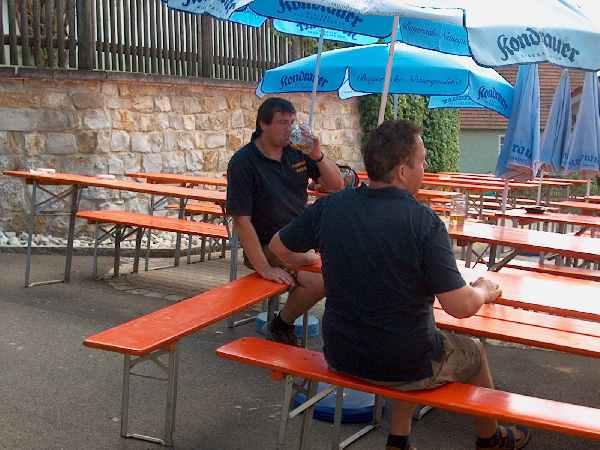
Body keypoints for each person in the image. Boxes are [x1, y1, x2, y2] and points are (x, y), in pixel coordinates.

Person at [268, 120, 531, 450]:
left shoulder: (330, 207)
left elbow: (278, 247)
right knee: (471, 351)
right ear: (403, 171)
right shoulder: (424, 222)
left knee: (414, 332)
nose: (425, 167)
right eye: (422, 160)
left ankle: (399, 439)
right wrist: (483, 290)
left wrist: (307, 260)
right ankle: (491, 438)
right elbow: (459, 307)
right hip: (403, 362)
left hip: (340, 353)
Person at [226, 97, 344, 345]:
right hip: (267, 246)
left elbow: (337, 185)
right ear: (263, 124)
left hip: (300, 240)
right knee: (321, 280)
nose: (289, 129)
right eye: (282, 122)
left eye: (292, 122)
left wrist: (317, 155)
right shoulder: (243, 162)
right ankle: (281, 325)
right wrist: (264, 267)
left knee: (350, 264)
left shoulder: (296, 152)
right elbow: (242, 221)